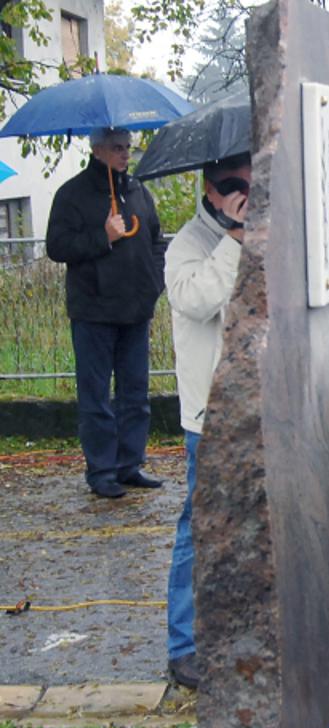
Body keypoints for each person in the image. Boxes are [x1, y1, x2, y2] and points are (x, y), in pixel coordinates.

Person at [162, 153, 251, 689]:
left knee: (248, 529)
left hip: (255, 402)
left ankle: (237, 630)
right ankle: (185, 645)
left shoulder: (255, 234)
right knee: (199, 529)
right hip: (209, 411)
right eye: (231, 184)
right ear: (209, 189)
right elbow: (197, 301)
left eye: (248, 181)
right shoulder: (187, 246)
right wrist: (236, 239)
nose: (242, 191)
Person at [46, 127, 167, 499]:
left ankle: (129, 464)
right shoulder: (72, 194)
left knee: (135, 393)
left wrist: (154, 282)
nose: (125, 154)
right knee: (96, 395)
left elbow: (156, 240)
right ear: (97, 150)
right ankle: (101, 470)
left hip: (135, 308)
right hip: (93, 311)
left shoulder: (138, 191)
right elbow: (57, 246)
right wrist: (104, 238)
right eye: (117, 148)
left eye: (128, 148)